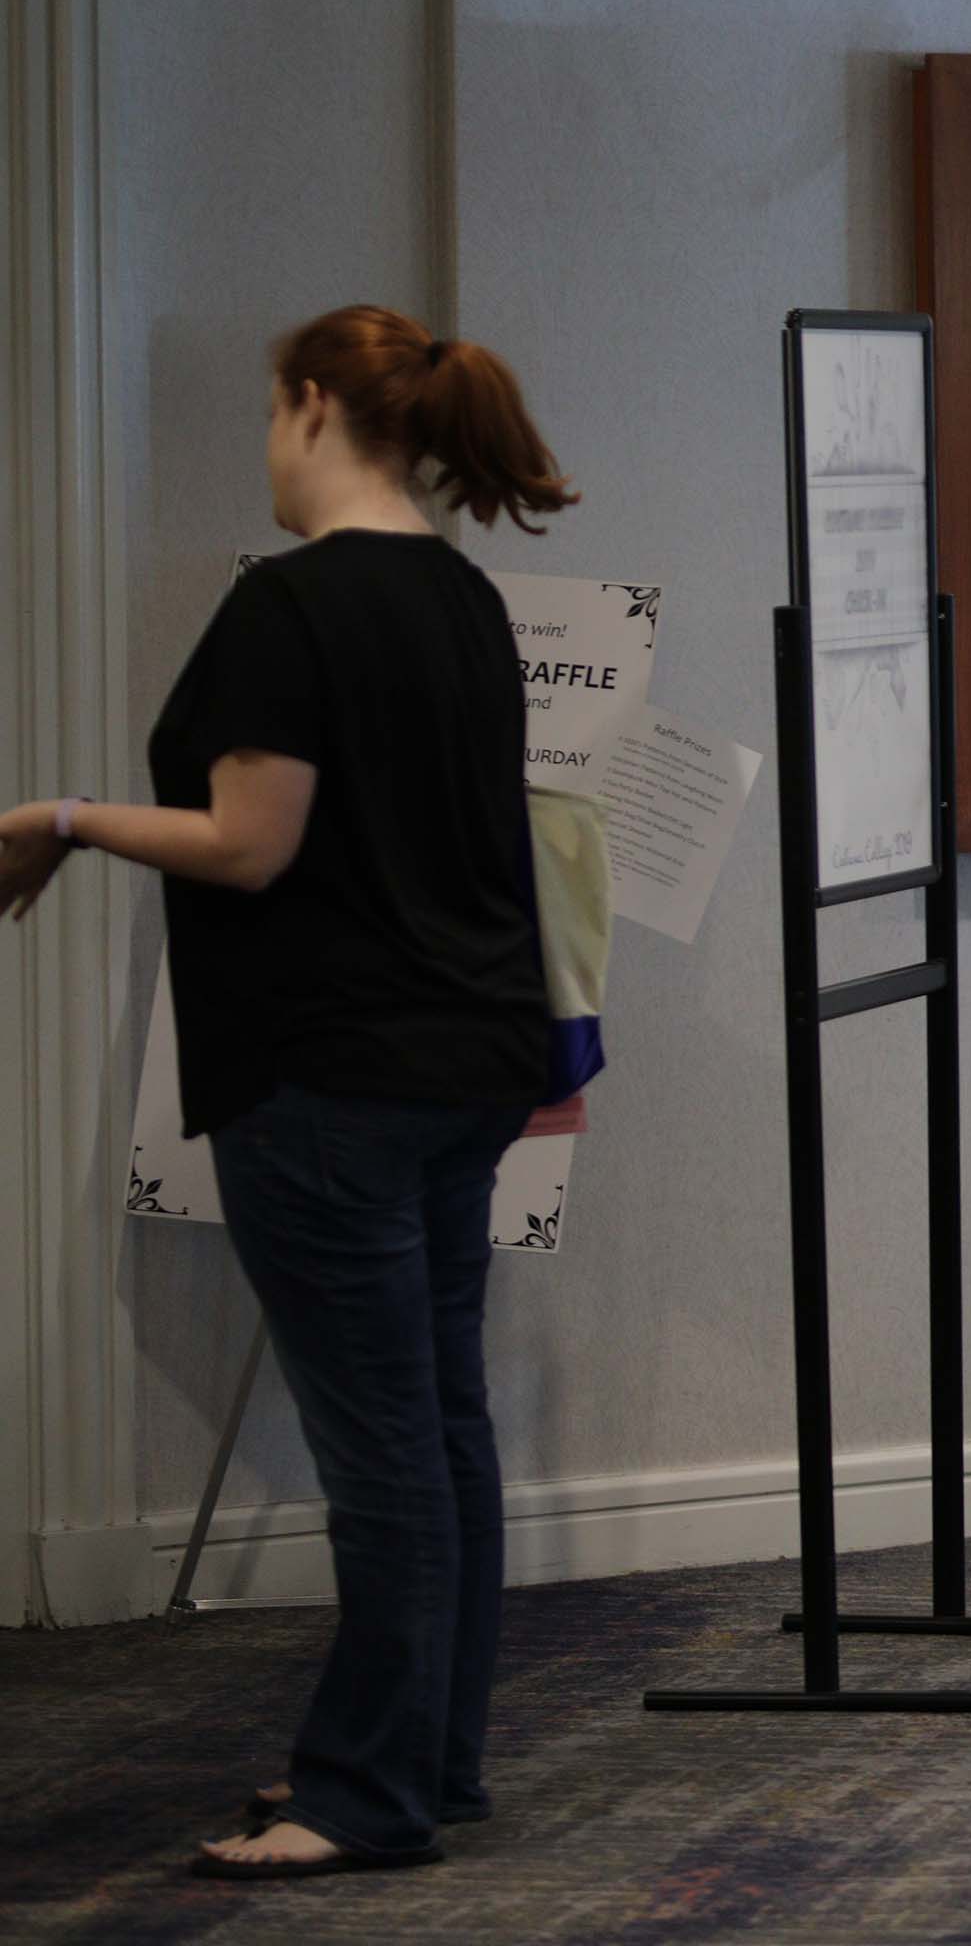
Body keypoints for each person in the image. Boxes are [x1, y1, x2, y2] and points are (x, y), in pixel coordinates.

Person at [0, 305, 576, 1877]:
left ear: (314, 407)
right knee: (440, 1422)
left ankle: (370, 1796)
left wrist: (64, 815)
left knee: (383, 1443)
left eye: (271, 410)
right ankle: (427, 1764)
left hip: (329, 1080)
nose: (263, 441)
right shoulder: (460, 596)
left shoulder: (290, 610)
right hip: (463, 1062)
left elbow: (251, 843)